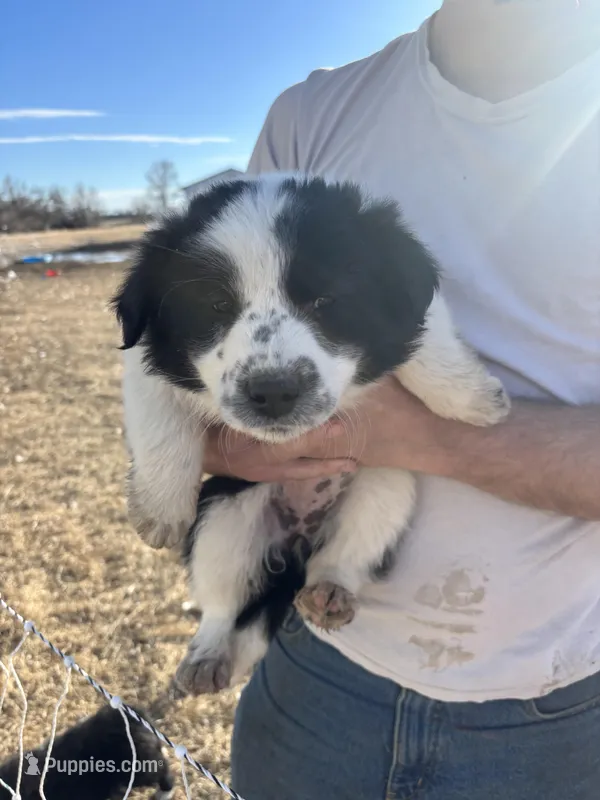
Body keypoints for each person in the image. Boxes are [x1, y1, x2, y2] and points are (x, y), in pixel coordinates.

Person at [202, 2, 600, 797]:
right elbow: (217, 418)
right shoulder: (310, 117)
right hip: (315, 679)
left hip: (559, 712)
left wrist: (403, 434)